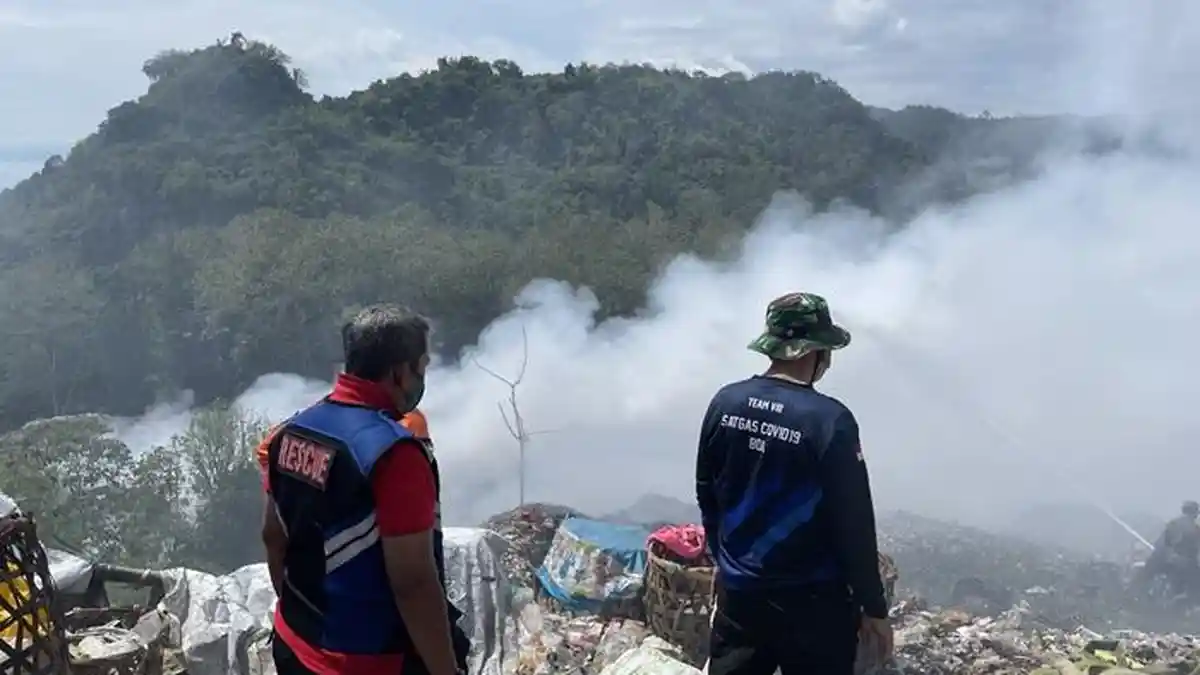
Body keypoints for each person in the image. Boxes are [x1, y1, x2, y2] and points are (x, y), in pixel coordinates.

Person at [261, 304, 466, 675]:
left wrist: (304, 625)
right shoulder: (393, 455)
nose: (422, 377)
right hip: (367, 662)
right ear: (401, 371)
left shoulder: (290, 433)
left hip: (293, 645)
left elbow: (273, 538)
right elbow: (413, 583)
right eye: (422, 367)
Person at [695, 292, 893, 675]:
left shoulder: (726, 402)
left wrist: (724, 563)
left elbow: (708, 491)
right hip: (813, 603)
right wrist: (874, 607)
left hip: (741, 596)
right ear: (816, 351)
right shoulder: (829, 421)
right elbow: (853, 524)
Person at [1145, 500, 1200, 598]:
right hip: (1184, 563)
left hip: (1164, 559)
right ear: (1195, 513)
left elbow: (1163, 542)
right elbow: (1194, 550)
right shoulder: (1195, 528)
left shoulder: (1173, 523)